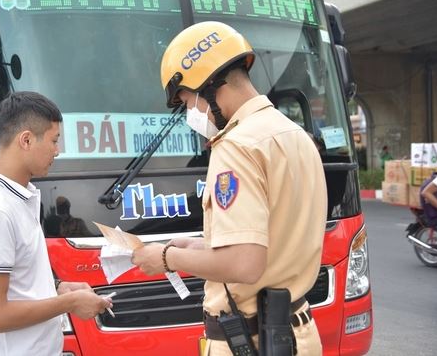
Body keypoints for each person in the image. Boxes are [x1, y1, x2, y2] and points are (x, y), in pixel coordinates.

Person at [131, 22, 327, 355]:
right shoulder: (292, 134)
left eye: (187, 101)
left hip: (251, 341)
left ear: (209, 86)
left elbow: (244, 264)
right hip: (298, 334)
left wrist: (166, 257)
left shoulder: (237, 146)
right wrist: (199, 247)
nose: (190, 113)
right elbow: (273, 235)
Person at [0, 91, 111, 356]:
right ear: (26, 140)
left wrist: (58, 289)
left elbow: (19, 284)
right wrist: (68, 302)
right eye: (54, 141)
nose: (58, 151)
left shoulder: (18, 198)